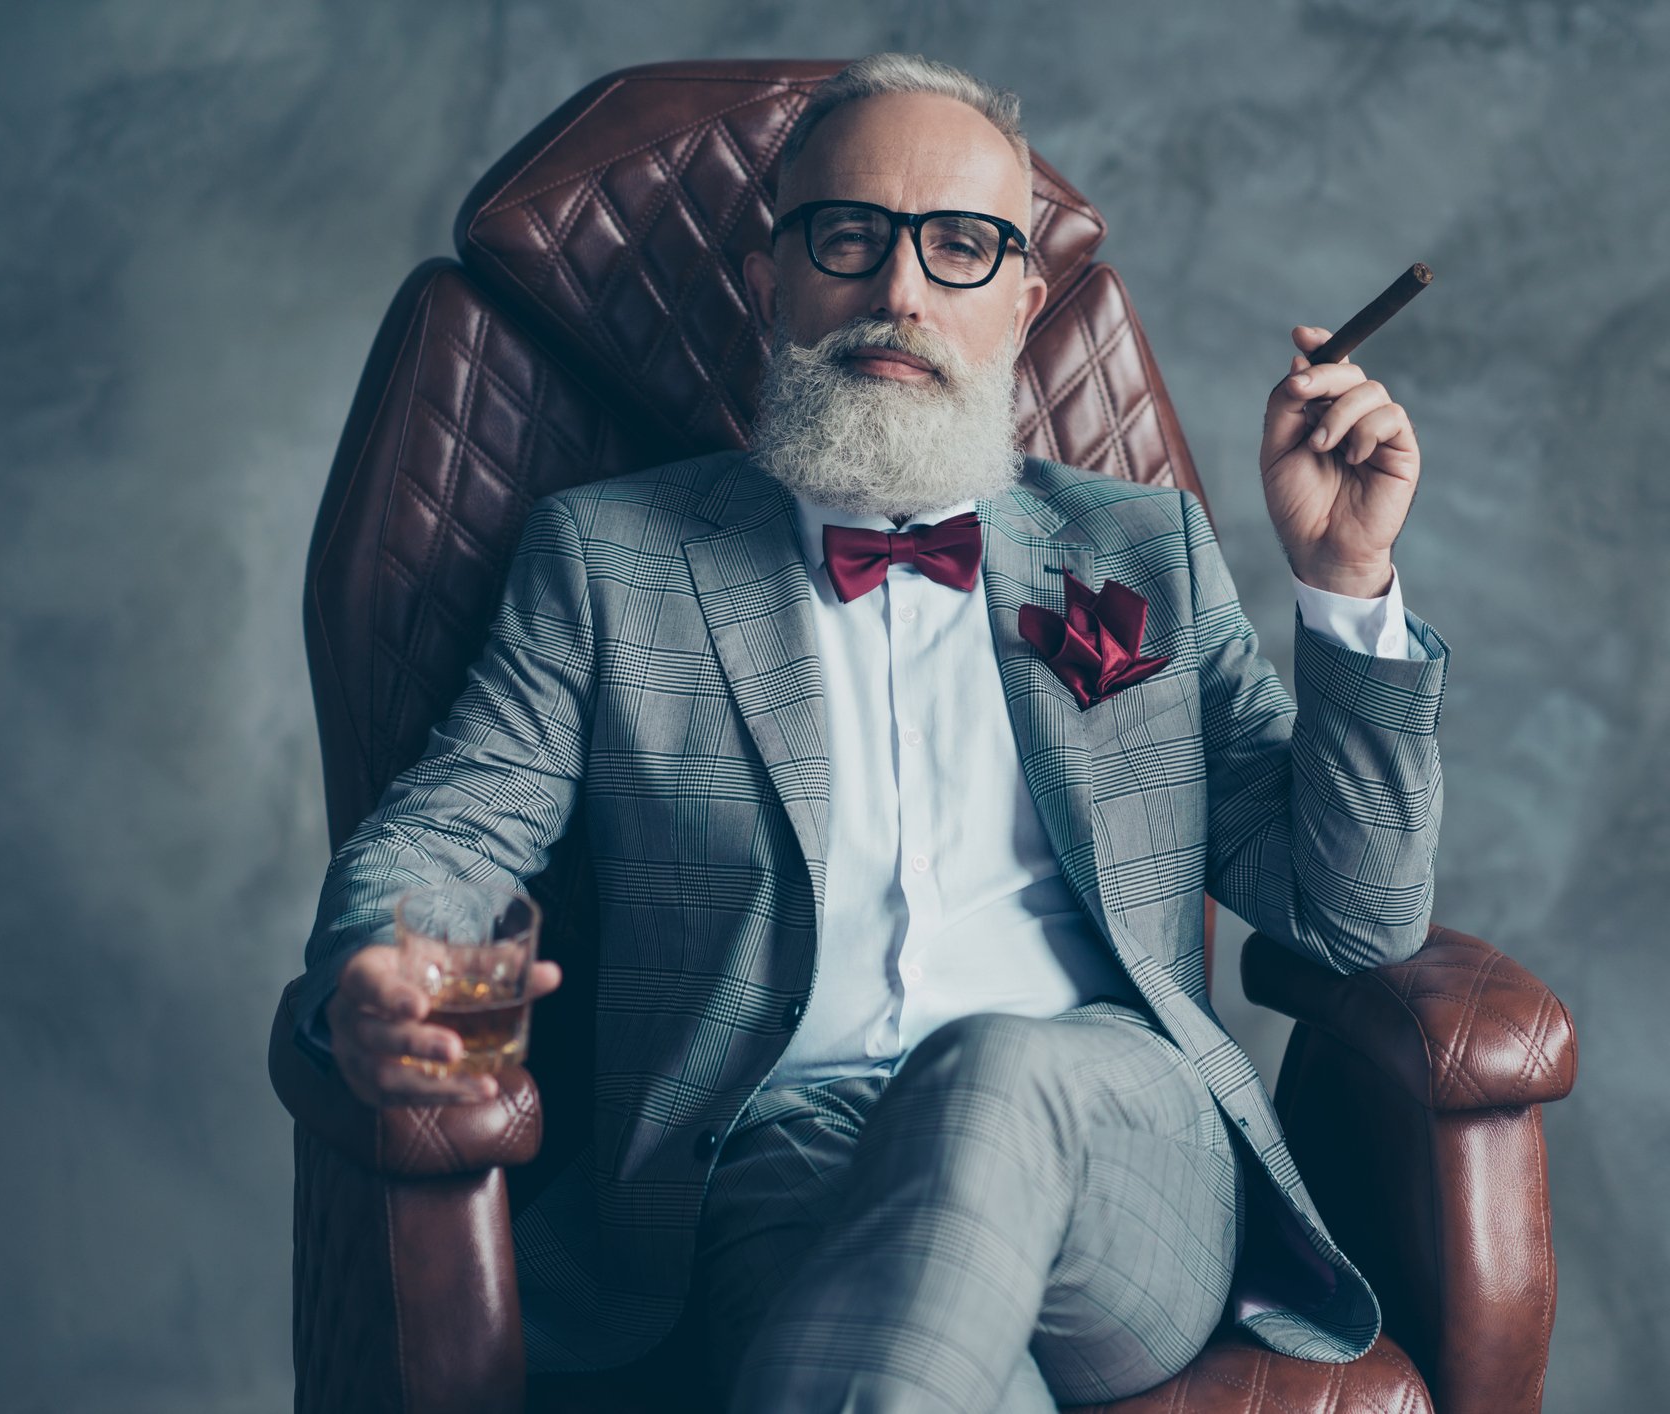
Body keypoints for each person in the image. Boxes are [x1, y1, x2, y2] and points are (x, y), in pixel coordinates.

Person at [295, 51, 1446, 1413]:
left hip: (1117, 1150)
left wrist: (1345, 582)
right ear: (774, 277)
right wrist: (384, 959)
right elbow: (454, 823)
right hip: (772, 1158)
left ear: (1021, 304)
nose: (900, 292)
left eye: (959, 247)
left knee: (997, 1077)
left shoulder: (1143, 552)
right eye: (850, 237)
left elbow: (1355, 912)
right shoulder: (610, 560)